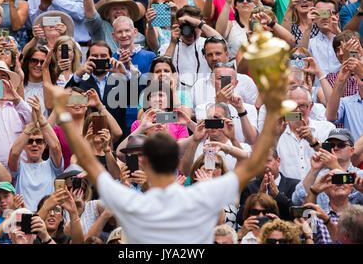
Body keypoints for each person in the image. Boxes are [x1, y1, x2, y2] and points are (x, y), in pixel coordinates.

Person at [45, 56, 288, 243]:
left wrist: (63, 113)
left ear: (145, 162)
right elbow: (255, 163)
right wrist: (274, 101)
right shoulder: (201, 196)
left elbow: (87, 160)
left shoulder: (131, 201)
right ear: (176, 162)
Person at [65, 40, 130, 140]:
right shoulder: (80, 81)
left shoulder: (120, 79)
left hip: (117, 137)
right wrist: (78, 74)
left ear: (111, 59)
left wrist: (125, 75)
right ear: (88, 59)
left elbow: (136, 99)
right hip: (87, 138)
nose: (99, 59)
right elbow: (66, 100)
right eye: (95, 56)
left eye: (103, 56)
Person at [8, 95, 63, 212]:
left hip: (49, 217)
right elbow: (14, 154)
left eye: (39, 141)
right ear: (24, 145)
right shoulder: (19, 168)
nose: (34, 144)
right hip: (24, 218)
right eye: (29, 141)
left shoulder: (52, 166)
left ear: (44, 144)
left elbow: (56, 147)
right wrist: (31, 124)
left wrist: (41, 118)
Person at [292, 128, 363, 209]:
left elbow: (358, 196)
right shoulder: (320, 176)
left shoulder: (360, 174)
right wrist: (314, 170)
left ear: (352, 150)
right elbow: (297, 201)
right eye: (332, 145)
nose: (335, 148)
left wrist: (335, 167)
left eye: (341, 145)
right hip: (321, 220)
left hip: (352, 221)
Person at [275, 85, 335, 180]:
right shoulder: (276, 130)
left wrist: (313, 141)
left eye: (302, 105)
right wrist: (276, 135)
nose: (298, 110)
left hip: (320, 190)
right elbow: (263, 161)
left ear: (310, 107)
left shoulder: (326, 128)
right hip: (286, 192)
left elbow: (334, 158)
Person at [192, 61, 259, 145]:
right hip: (215, 152)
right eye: (220, 78)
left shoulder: (248, 109)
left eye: (228, 79)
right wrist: (219, 103)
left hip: (242, 154)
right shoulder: (202, 108)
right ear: (213, 82)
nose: (225, 83)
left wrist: (241, 110)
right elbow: (207, 136)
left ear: (235, 83)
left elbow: (252, 140)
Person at [158, 5, 221, 93]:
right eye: (187, 26)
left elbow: (222, 43)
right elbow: (162, 68)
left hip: (204, 94)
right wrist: (173, 43)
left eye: (194, 26)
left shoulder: (207, 44)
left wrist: (199, 23)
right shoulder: (167, 47)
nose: (190, 31)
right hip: (177, 95)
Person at [81, 0, 145, 55]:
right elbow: (90, 15)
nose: (119, 11)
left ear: (129, 14)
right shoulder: (100, 27)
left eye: (122, 8)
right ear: (107, 14)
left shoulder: (140, 38)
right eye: (114, 9)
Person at [111, 16, 156, 130]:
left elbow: (151, 87)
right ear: (114, 36)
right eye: (119, 32)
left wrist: (129, 66)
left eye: (127, 30)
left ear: (135, 32)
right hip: (118, 116)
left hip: (142, 115)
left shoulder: (150, 56)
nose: (124, 35)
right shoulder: (112, 59)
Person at [237, 147, 300, 223]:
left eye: (268, 161)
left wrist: (278, 196)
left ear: (278, 161)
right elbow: (240, 219)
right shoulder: (249, 187)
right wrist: (259, 196)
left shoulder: (295, 185)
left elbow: (302, 214)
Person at [136, 56, 192, 120]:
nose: (162, 74)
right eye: (157, 71)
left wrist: (173, 92)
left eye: (166, 71)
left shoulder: (183, 94)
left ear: (174, 75)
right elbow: (140, 119)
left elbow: (185, 119)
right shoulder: (145, 95)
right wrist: (173, 117)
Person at [326, 60, 363, 141]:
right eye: (360, 69)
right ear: (355, 76)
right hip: (353, 152)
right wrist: (340, 81)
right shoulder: (346, 102)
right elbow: (330, 117)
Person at [307, 0, 341, 79]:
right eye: (320, 13)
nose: (325, 17)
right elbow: (299, 59)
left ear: (337, 16)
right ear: (314, 17)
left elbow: (355, 57)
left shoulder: (347, 39)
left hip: (345, 89)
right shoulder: (310, 43)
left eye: (329, 13)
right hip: (318, 89)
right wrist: (308, 28)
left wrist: (338, 32)